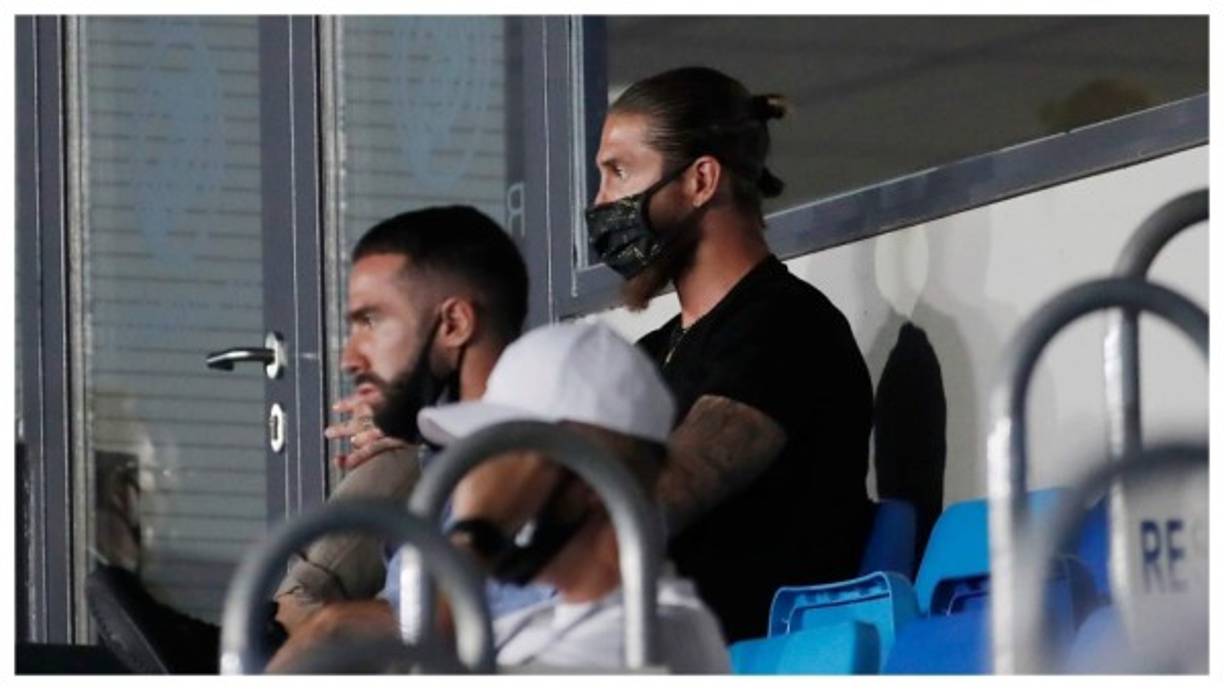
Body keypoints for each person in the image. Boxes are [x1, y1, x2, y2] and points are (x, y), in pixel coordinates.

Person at [87, 205, 547, 673]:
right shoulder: (444, 457)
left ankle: (263, 641)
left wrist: (332, 626)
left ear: (453, 325)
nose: (349, 357)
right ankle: (266, 636)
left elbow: (498, 623)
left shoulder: (541, 456)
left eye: (372, 322)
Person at [584, 66, 875, 642]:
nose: (601, 203)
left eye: (619, 173)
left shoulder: (788, 326)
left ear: (701, 181)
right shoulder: (650, 356)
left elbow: (658, 497)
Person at [269, 322, 730, 673]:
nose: (475, 484)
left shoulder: (647, 634)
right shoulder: (540, 613)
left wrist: (478, 533)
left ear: (584, 477)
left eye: (500, 463)